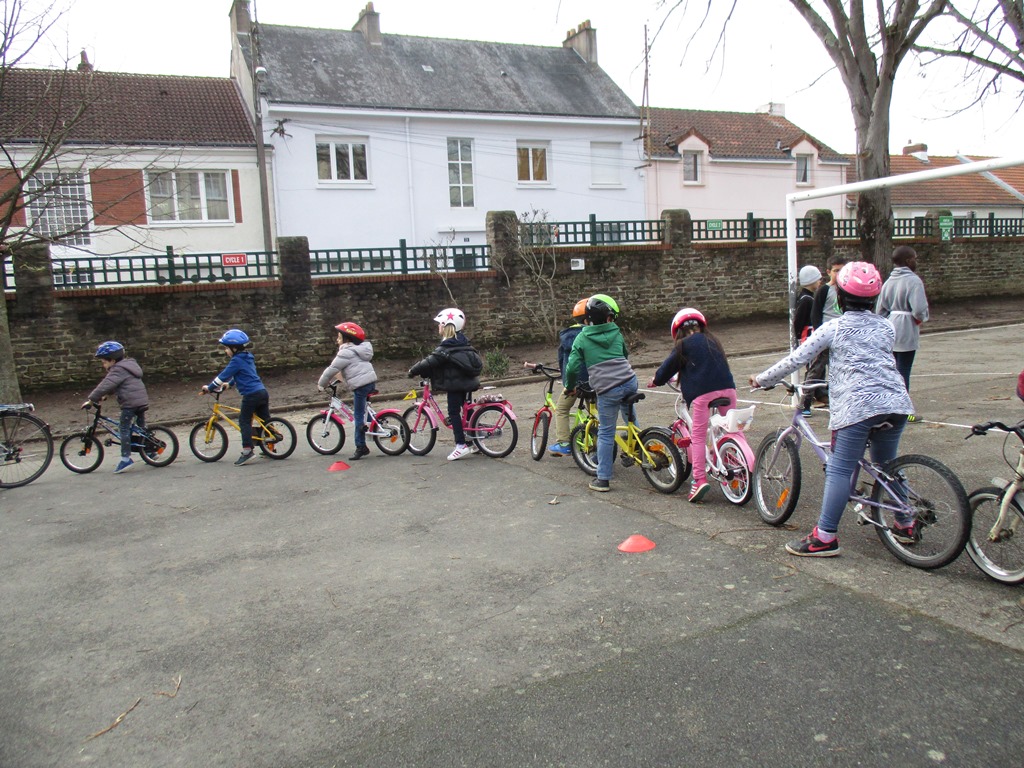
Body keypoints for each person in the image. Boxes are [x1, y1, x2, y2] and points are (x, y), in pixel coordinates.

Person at [750, 262, 915, 557]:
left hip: (857, 407)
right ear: (874, 298)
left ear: (839, 296)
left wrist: (763, 380)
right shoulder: (886, 326)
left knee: (839, 469)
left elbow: (797, 359)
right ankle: (905, 522)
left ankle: (825, 537)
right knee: (886, 467)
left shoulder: (834, 328)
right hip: (896, 403)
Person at [648, 307, 738, 503]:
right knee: (732, 429)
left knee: (697, 437)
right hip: (729, 389)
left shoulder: (684, 345)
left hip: (703, 394)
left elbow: (667, 369)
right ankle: (738, 464)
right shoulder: (714, 341)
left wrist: (656, 380)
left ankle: (699, 480)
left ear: (677, 331)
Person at [563, 294, 638, 493]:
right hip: (629, 381)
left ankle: (603, 479)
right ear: (607, 317)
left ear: (588, 320)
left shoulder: (582, 337)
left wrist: (569, 386)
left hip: (607, 388)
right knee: (627, 405)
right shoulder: (616, 331)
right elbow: (624, 355)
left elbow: (572, 368)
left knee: (605, 432)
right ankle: (636, 443)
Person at [408, 307, 483, 461]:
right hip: (467, 384)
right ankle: (474, 441)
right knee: (467, 410)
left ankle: (460, 445)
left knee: (454, 413)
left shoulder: (446, 348)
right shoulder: (463, 343)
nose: (438, 327)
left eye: (440, 324)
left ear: (447, 325)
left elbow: (429, 362)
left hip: (455, 385)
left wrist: (412, 370)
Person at [201, 329, 271, 466]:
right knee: (265, 420)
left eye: (226, 348)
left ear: (234, 348)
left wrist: (209, 388)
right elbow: (243, 374)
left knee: (244, 421)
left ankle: (247, 451)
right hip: (262, 392)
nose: (225, 351)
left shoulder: (236, 360)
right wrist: (230, 385)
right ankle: (270, 445)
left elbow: (223, 376)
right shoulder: (248, 357)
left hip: (250, 395)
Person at [877, 245, 929, 420]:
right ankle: (903, 410)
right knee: (904, 369)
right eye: (914, 258)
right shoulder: (913, 281)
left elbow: (880, 309)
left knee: (891, 370)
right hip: (906, 326)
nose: (916, 261)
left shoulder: (889, 281)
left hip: (890, 326)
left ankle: (888, 406)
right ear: (908, 260)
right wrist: (919, 319)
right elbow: (919, 309)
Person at [83, 341, 149, 474]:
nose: (103, 366)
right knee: (141, 428)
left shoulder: (117, 369)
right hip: (141, 400)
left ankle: (125, 459)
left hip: (129, 404)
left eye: (104, 362)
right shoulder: (129, 366)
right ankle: (150, 451)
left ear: (112, 360)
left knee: (123, 428)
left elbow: (106, 384)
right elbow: (121, 384)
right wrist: (107, 395)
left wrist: (91, 400)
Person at [318, 321, 377, 461]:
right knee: (363, 410)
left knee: (357, 415)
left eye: (338, 337)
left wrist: (321, 384)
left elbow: (331, 369)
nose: (336, 340)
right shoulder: (360, 349)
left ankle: (361, 447)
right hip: (370, 382)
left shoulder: (345, 352)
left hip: (361, 385)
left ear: (346, 338)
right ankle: (377, 423)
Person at [803, 255, 849, 411]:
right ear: (829, 272)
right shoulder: (824, 290)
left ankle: (839, 401)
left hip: (842, 337)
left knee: (841, 372)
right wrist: (819, 335)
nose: (839, 274)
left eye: (842, 270)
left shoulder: (848, 291)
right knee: (816, 370)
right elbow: (816, 314)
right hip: (826, 336)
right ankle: (805, 403)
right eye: (836, 271)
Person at [547, 298, 589, 456]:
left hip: (575, 383)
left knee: (562, 409)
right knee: (599, 413)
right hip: (596, 381)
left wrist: (565, 378)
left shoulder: (568, 336)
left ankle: (564, 443)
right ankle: (602, 443)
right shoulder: (596, 334)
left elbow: (563, 361)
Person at [793, 265, 822, 417]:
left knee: (816, 369)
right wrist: (800, 336)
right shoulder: (806, 300)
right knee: (813, 371)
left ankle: (817, 395)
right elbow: (799, 322)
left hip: (810, 337)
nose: (820, 282)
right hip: (809, 338)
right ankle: (805, 403)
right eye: (817, 279)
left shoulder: (809, 298)